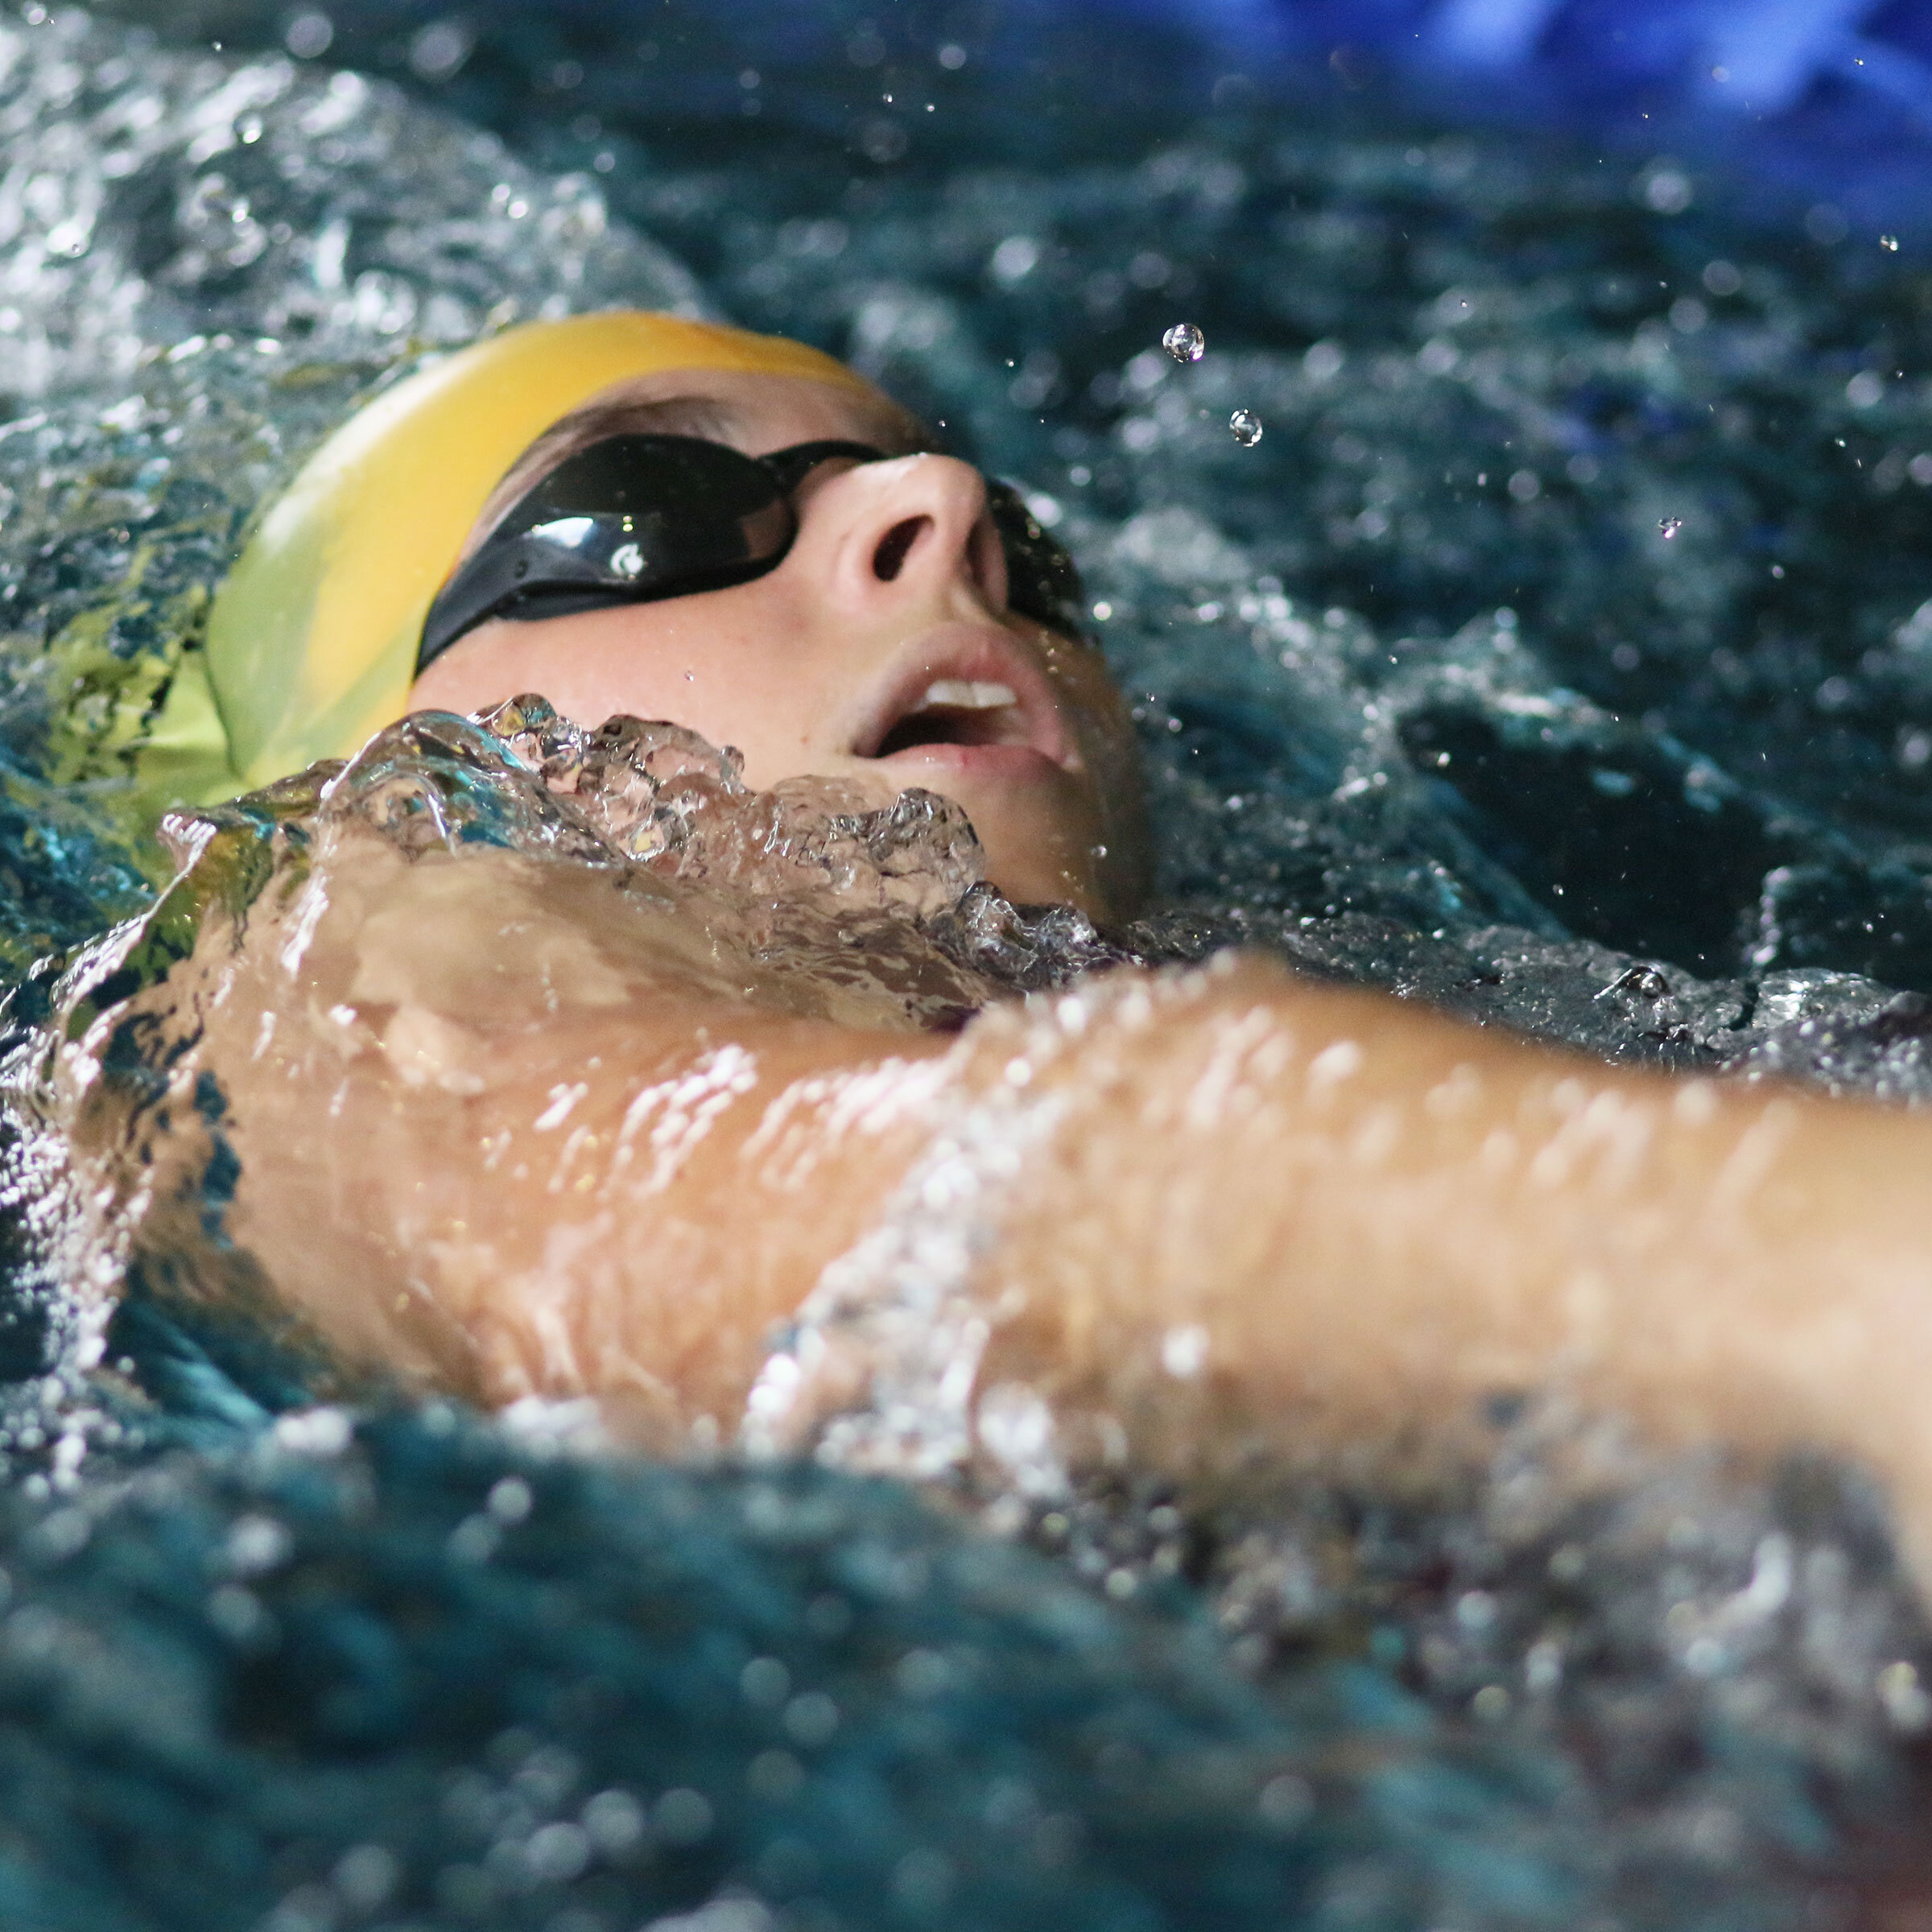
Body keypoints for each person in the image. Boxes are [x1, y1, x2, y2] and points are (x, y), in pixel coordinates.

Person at [32, 311, 1932, 1592]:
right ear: (343, 742)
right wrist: (1821, 1285)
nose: (940, 515)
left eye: (1025, 544)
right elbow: (971, 1225)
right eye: (651, 516)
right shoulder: (311, 986)